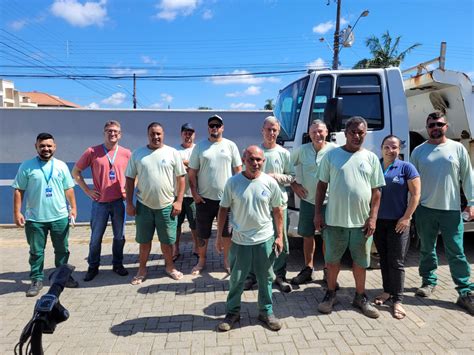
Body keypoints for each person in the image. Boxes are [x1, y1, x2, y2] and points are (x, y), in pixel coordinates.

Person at [314, 116, 385, 318]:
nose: (356, 136)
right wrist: (318, 213)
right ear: (345, 134)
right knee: (332, 261)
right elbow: (321, 186)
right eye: (352, 132)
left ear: (365, 134)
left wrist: (373, 218)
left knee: (361, 262)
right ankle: (330, 294)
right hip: (334, 221)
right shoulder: (332, 156)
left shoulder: (371, 158)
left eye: (360, 132)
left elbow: (377, 191)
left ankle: (360, 297)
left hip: (361, 223)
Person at [411, 111, 474, 314]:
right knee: (427, 248)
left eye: (439, 124)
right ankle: (428, 282)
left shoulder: (457, 149)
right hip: (425, 209)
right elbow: (411, 184)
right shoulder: (418, 152)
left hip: (451, 210)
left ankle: (465, 291)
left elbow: (467, 176)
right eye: (431, 125)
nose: (435, 128)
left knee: (456, 251)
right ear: (427, 128)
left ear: (446, 126)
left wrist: (472, 202)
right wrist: (409, 210)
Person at [217, 146, 284, 332]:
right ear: (244, 160)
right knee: (237, 279)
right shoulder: (233, 183)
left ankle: (266, 311)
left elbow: (278, 211)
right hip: (240, 242)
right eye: (251, 159)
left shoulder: (270, 183)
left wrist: (279, 237)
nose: (255, 163)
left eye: (259, 160)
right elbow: (223, 209)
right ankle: (232, 312)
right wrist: (219, 237)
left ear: (264, 161)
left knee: (266, 278)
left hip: (265, 240)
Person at [13, 132, 79, 297]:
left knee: (62, 250)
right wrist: (17, 213)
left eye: (49, 145)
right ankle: (36, 279)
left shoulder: (61, 166)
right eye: (42, 145)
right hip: (35, 219)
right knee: (36, 252)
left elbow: (68, 189)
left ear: (54, 147)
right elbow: (19, 190)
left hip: (60, 217)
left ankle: (62, 277)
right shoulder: (26, 166)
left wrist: (73, 208)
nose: (46, 148)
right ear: (36, 146)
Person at [125, 122, 186, 284]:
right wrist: (129, 204)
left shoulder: (172, 153)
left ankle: (170, 267)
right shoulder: (138, 154)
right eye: (152, 133)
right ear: (148, 135)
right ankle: (142, 269)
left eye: (158, 133)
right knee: (144, 241)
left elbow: (181, 178)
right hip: (144, 206)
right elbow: (130, 179)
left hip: (167, 206)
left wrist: (179, 201)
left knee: (167, 241)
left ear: (163, 134)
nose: (156, 136)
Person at [72, 120, 131, 281]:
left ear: (120, 134)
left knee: (120, 236)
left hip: (119, 202)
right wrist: (87, 190)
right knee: (96, 237)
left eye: (115, 131)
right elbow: (76, 172)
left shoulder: (126, 153)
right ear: (104, 133)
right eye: (109, 131)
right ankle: (93, 266)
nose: (112, 133)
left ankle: (117, 264)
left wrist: (129, 190)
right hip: (100, 203)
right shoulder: (92, 151)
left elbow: (136, 173)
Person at [243, 116, 294, 293]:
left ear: (278, 132)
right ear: (262, 130)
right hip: (259, 206)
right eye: (268, 129)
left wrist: (276, 176)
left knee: (281, 240)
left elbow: (292, 176)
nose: (271, 133)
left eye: (274, 130)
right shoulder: (255, 152)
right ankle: (251, 276)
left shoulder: (284, 153)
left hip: (279, 205)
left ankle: (279, 276)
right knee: (255, 240)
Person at [373, 135, 421, 319]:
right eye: (386, 146)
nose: (390, 150)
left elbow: (416, 195)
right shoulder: (375, 164)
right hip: (379, 222)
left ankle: (398, 300)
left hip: (399, 223)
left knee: (397, 261)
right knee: (384, 258)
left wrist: (406, 217)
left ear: (399, 149)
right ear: (381, 147)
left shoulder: (406, 167)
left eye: (394, 147)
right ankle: (387, 291)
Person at [188, 115, 242, 275]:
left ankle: (227, 261)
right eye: (212, 125)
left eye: (218, 125)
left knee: (227, 233)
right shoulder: (200, 147)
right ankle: (202, 261)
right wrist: (195, 194)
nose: (214, 128)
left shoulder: (230, 146)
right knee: (202, 233)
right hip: (203, 200)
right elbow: (192, 173)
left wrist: (236, 195)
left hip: (226, 201)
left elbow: (238, 171)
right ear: (208, 128)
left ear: (222, 128)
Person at [290, 120, 337, 286]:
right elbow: (287, 167)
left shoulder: (334, 151)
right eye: (314, 132)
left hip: (328, 202)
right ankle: (308, 269)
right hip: (308, 201)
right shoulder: (302, 151)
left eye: (320, 131)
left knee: (327, 238)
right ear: (309, 134)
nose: (317, 134)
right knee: (307, 236)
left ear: (327, 132)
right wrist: (294, 184)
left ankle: (327, 270)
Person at [173, 123, 198, 261]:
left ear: (194, 135)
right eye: (186, 133)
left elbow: (198, 167)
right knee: (176, 224)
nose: (188, 136)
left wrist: (185, 163)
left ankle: (196, 247)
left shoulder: (198, 149)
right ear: (181, 134)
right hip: (176, 195)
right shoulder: (174, 151)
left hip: (193, 195)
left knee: (194, 224)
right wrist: (190, 164)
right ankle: (175, 249)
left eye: (191, 133)